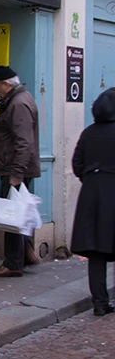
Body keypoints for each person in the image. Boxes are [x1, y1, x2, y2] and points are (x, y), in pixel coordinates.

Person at [0, 66, 40, 278]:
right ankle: (26, 255)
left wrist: (16, 174)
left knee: (12, 218)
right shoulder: (17, 101)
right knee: (18, 214)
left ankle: (13, 263)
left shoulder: (18, 104)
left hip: (14, 169)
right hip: (14, 167)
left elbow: (23, 142)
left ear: (6, 84)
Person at [70, 87, 115, 316]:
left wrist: (91, 179)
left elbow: (76, 163)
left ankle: (100, 302)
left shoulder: (88, 133)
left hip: (92, 194)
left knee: (96, 252)